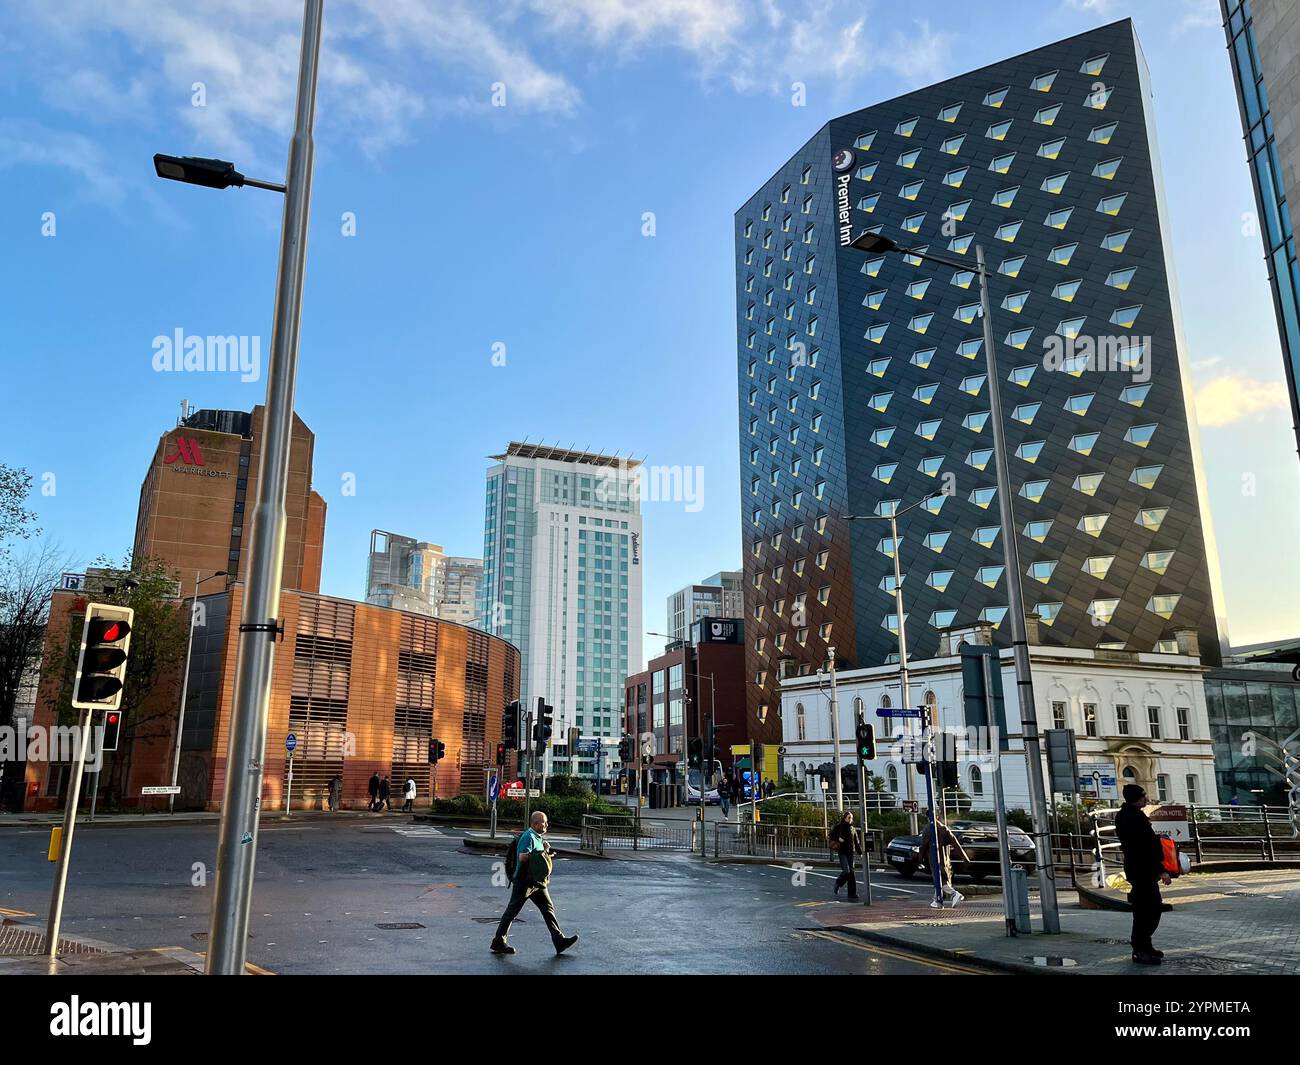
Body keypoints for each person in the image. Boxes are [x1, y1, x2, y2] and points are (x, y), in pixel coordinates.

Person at [491, 811, 580, 957]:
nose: (546, 824)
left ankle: (559, 940)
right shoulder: (528, 837)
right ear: (535, 824)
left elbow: (537, 858)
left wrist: (545, 852)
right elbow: (523, 857)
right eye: (544, 822)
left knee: (548, 909)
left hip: (536, 882)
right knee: (512, 912)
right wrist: (543, 851)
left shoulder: (537, 837)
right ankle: (498, 941)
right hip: (524, 881)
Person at [1116, 783, 1172, 965]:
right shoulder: (1134, 818)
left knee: (1146, 909)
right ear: (1137, 798)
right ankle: (1140, 949)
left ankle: (1145, 946)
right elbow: (1145, 847)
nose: (1146, 799)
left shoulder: (1127, 815)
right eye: (1143, 796)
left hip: (1138, 868)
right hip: (1142, 869)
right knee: (1149, 910)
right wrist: (1160, 869)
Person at [918, 811, 972, 908]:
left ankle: (954, 894)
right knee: (941, 878)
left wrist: (920, 859)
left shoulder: (928, 829)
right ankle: (936, 899)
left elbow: (923, 846)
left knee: (939, 880)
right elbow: (955, 843)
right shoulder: (944, 828)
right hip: (945, 858)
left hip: (934, 858)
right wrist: (964, 857)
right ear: (937, 817)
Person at [828, 811, 859, 900]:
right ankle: (838, 883)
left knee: (852, 873)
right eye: (849, 818)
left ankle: (852, 893)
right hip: (842, 852)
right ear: (845, 818)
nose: (850, 820)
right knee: (846, 871)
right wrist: (838, 838)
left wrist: (860, 852)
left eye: (851, 818)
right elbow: (831, 835)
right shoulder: (839, 827)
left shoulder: (853, 829)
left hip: (851, 852)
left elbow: (856, 841)